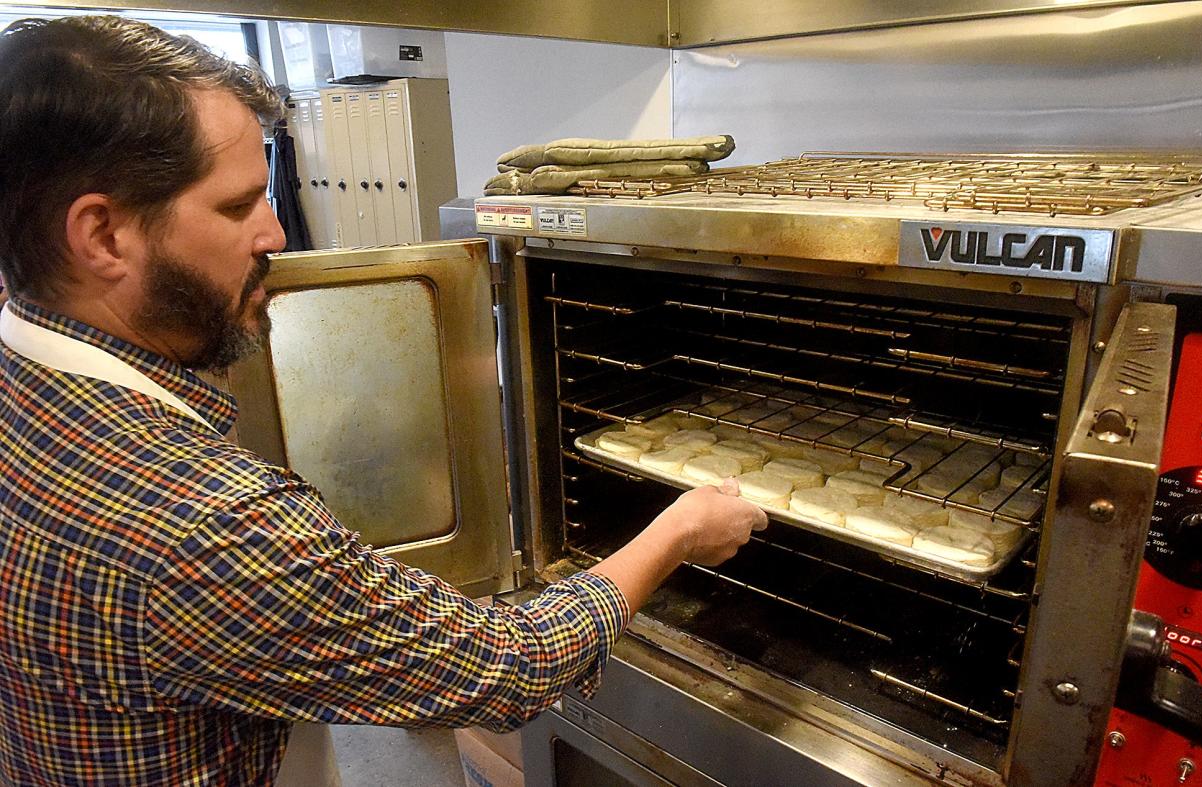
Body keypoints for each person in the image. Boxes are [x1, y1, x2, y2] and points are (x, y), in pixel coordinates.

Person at [0, 15, 767, 787]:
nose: (275, 233)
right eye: (237, 208)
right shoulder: (204, 522)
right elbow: (509, 668)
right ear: (101, 236)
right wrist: (675, 532)